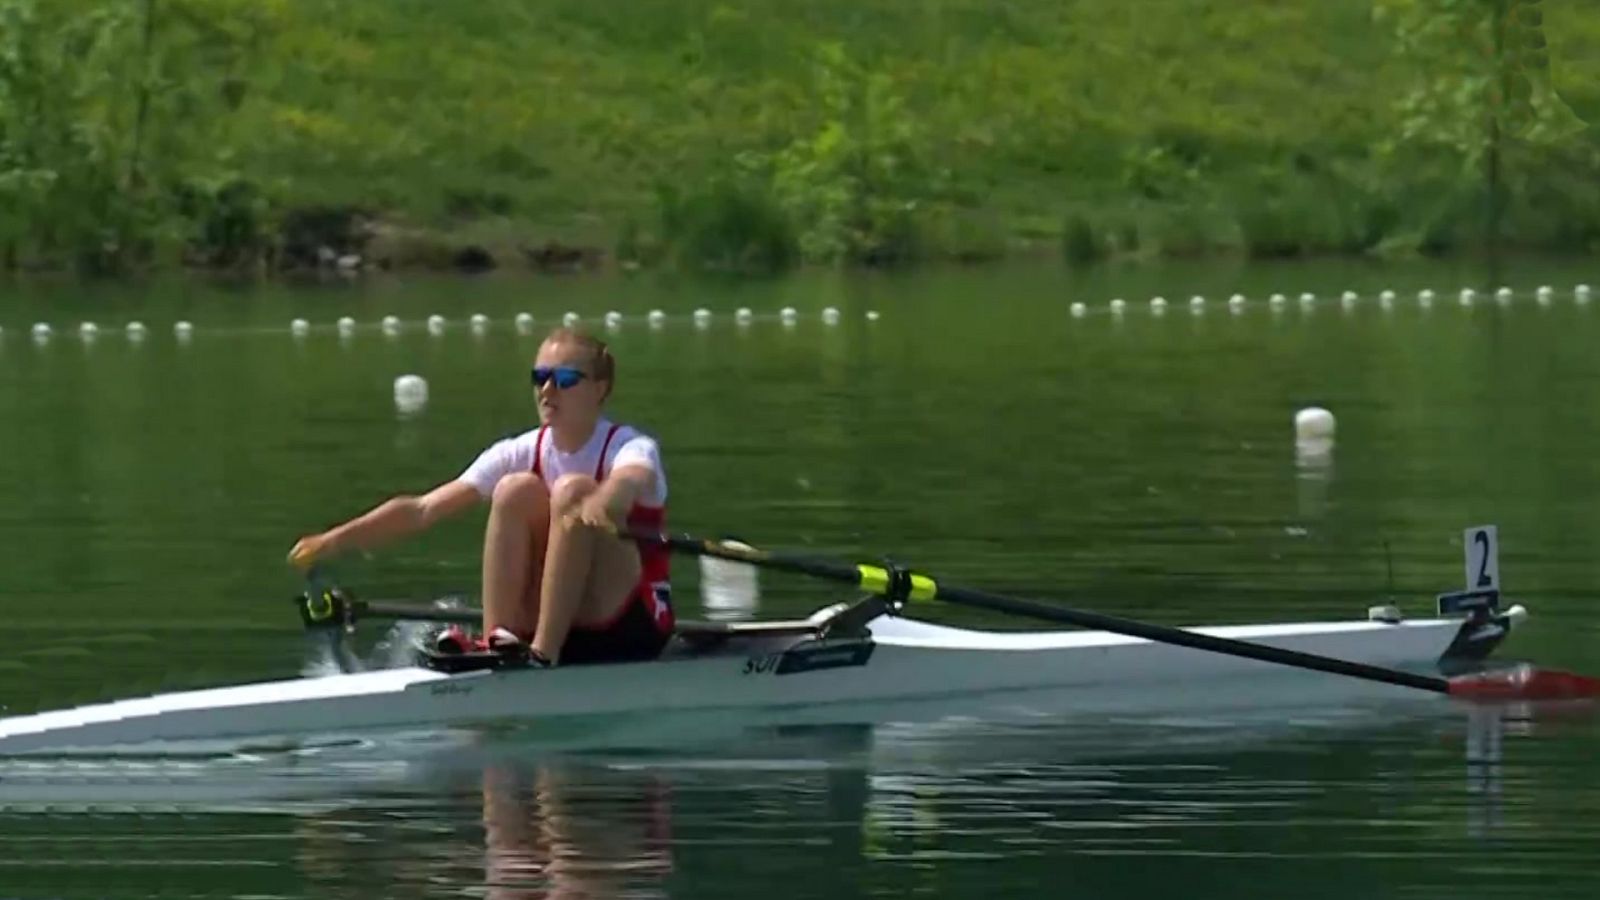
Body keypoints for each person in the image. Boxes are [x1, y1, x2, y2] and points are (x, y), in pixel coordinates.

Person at [286, 327, 674, 667]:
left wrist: (605, 501)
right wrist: (332, 541)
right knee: (513, 489)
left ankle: (542, 655)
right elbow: (423, 510)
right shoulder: (519, 451)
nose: (547, 390)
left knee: (573, 489)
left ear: (600, 388)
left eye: (565, 379)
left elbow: (632, 478)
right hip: (560, 618)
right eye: (539, 377)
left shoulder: (629, 446)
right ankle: (499, 640)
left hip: (628, 622)